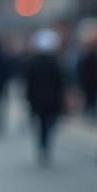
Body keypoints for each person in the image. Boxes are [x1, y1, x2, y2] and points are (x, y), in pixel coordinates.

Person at [24, 28, 66, 166]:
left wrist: (28, 98)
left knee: (42, 124)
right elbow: (61, 83)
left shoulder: (33, 63)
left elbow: (28, 82)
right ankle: (45, 145)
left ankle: (43, 145)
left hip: (37, 100)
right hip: (53, 100)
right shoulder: (56, 63)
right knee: (49, 123)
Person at [75, 32, 97, 120]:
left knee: (92, 99)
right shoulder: (87, 56)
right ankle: (88, 114)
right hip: (90, 82)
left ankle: (90, 114)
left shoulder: (92, 56)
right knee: (90, 99)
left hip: (93, 82)